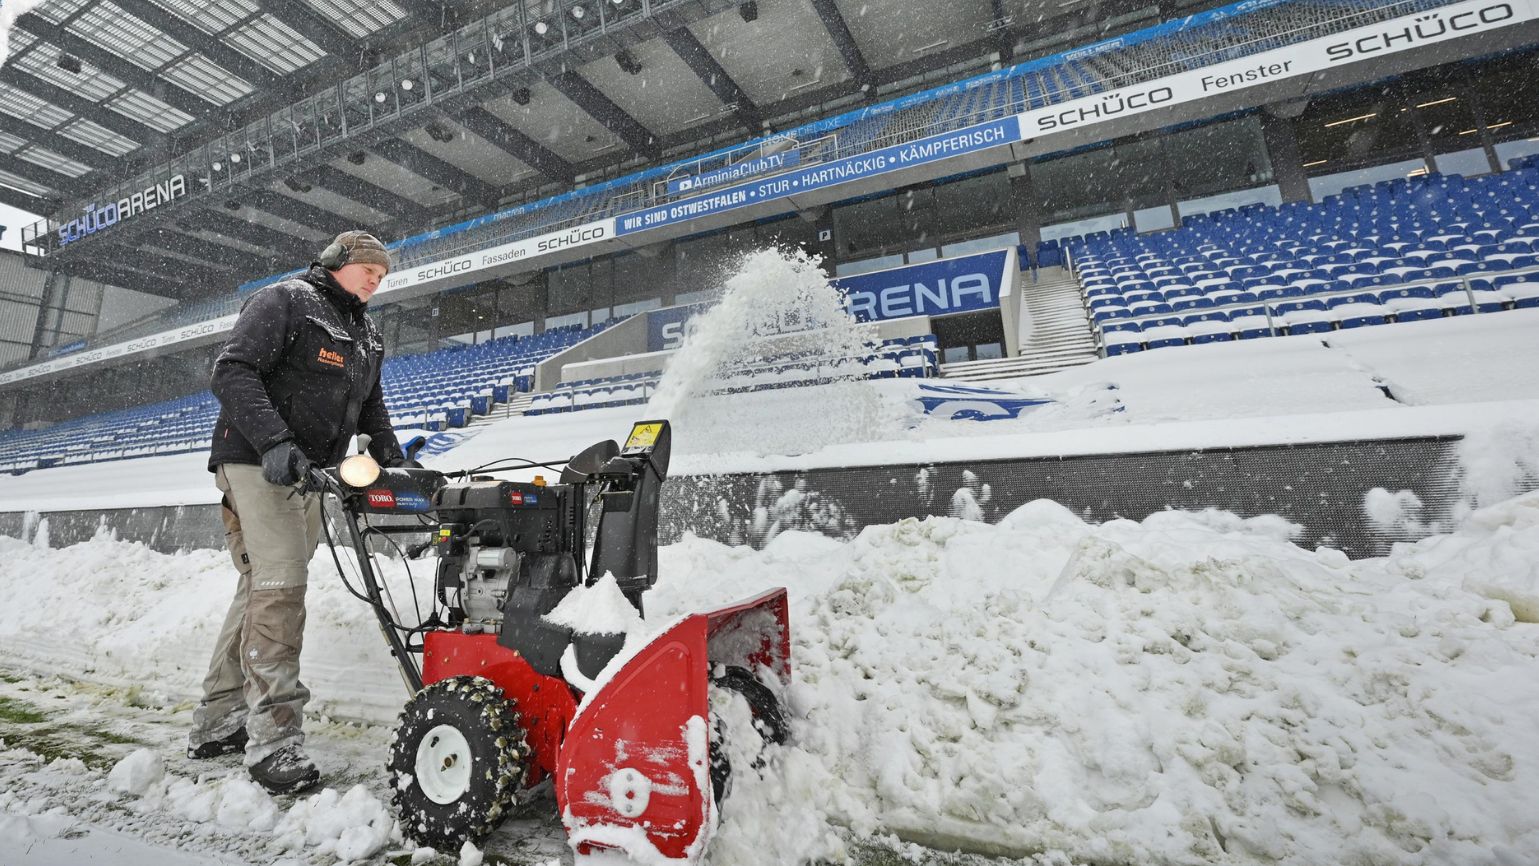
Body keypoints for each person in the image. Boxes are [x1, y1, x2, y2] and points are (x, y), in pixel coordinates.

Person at [187, 231, 411, 795]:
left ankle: (218, 721)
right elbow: (231, 371)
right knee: (282, 586)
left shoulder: (366, 333)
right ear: (338, 262)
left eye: (383, 276)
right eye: (368, 270)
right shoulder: (286, 300)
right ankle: (274, 740)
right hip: (259, 461)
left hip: (311, 471)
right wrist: (273, 441)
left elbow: (372, 405)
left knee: (263, 586)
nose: (375, 281)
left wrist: (393, 458)